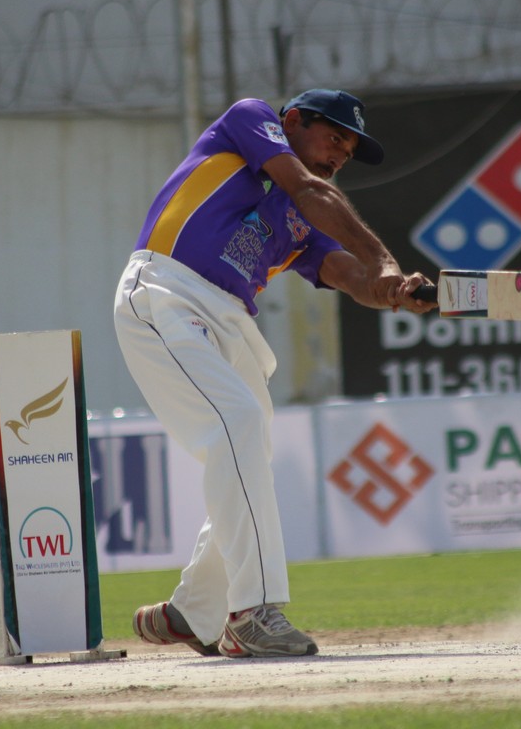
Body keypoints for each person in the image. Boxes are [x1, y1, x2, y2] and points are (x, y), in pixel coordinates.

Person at [113, 88, 435, 658]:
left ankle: (196, 610)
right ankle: (251, 614)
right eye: (334, 138)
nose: (338, 156)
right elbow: (311, 190)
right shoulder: (251, 119)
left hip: (231, 317)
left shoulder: (304, 219)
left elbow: (350, 277)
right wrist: (385, 259)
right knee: (237, 423)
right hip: (167, 291)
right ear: (293, 120)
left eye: (348, 152)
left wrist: (390, 290)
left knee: (249, 447)